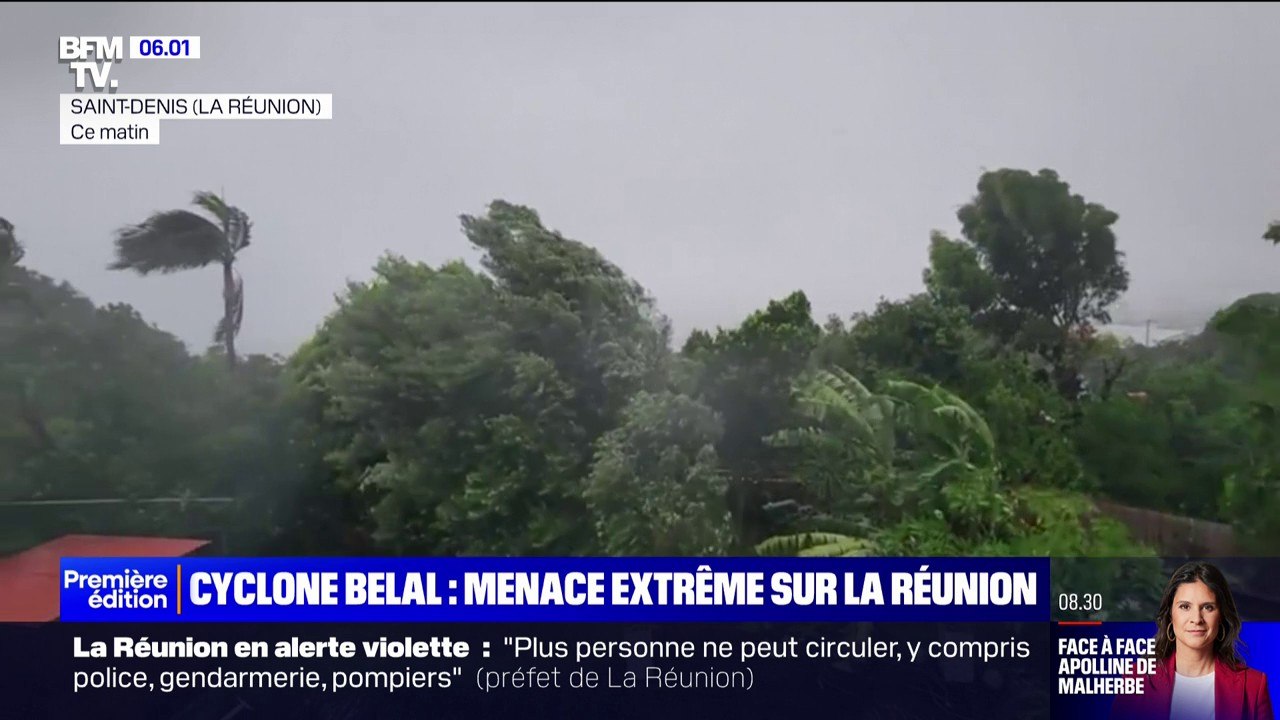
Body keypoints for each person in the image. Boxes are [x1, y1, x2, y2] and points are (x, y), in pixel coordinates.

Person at [1111, 561, 1273, 720]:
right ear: (1170, 614)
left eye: (1208, 607)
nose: (1196, 619)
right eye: (1185, 607)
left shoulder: (1253, 686)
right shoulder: (1137, 678)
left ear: (1221, 616)